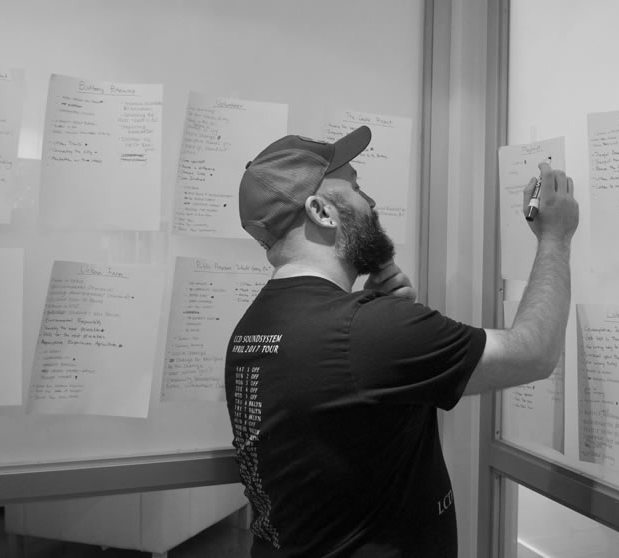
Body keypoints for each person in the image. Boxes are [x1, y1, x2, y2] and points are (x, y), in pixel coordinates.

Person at [225, 125, 578, 557]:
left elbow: (339, 432)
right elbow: (534, 353)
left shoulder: (249, 331)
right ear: (321, 211)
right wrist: (555, 238)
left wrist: (374, 313)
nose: (370, 201)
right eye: (354, 186)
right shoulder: (368, 332)